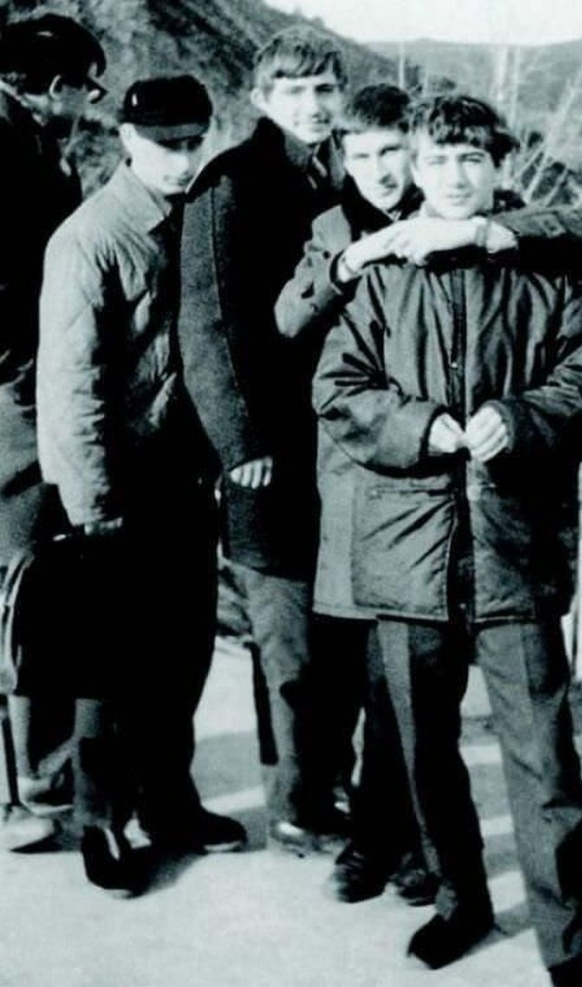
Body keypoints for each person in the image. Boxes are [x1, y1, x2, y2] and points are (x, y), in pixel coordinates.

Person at [313, 93, 582, 987]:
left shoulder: (548, 276)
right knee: (424, 752)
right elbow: (338, 387)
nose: (453, 176)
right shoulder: (381, 277)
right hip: (406, 557)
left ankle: (570, 947)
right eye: (437, 159)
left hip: (513, 554)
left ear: (498, 169)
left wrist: (519, 418)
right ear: (414, 168)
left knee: (545, 761)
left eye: (471, 160)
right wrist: (419, 426)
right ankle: (460, 900)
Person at [37, 75, 246, 896]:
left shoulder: (200, 218)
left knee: (181, 652)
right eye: (167, 144)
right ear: (128, 141)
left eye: (195, 141)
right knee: (108, 664)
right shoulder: (90, 239)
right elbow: (71, 383)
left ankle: (167, 802)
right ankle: (99, 817)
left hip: (183, 478)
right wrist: (92, 502)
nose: (183, 158)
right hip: (115, 488)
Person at [178, 26, 356, 855]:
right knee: (287, 643)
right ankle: (295, 802)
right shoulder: (232, 182)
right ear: (261, 98)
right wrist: (240, 442)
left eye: (326, 89)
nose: (314, 105)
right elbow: (209, 326)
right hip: (266, 452)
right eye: (297, 91)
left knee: (331, 635)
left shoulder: (338, 173)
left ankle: (325, 781)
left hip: (333, 444)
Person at [0, 12, 107, 851]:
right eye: (85, 87)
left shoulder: (32, 145)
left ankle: (36, 773)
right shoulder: (10, 154)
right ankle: (25, 789)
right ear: (56, 86)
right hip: (16, 398)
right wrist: (22, 371)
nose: (89, 102)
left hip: (23, 386)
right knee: (24, 590)